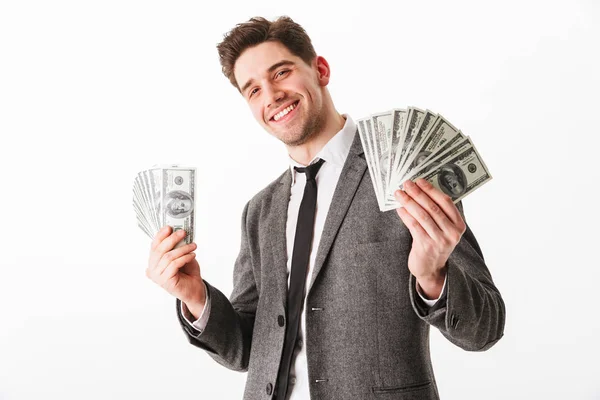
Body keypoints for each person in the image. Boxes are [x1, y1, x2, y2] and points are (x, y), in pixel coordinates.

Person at [145, 16, 505, 400]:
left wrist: (434, 277)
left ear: (320, 70)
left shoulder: (406, 174)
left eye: (281, 72)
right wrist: (196, 296)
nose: (271, 95)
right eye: (253, 90)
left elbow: (484, 329)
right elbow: (248, 350)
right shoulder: (259, 211)